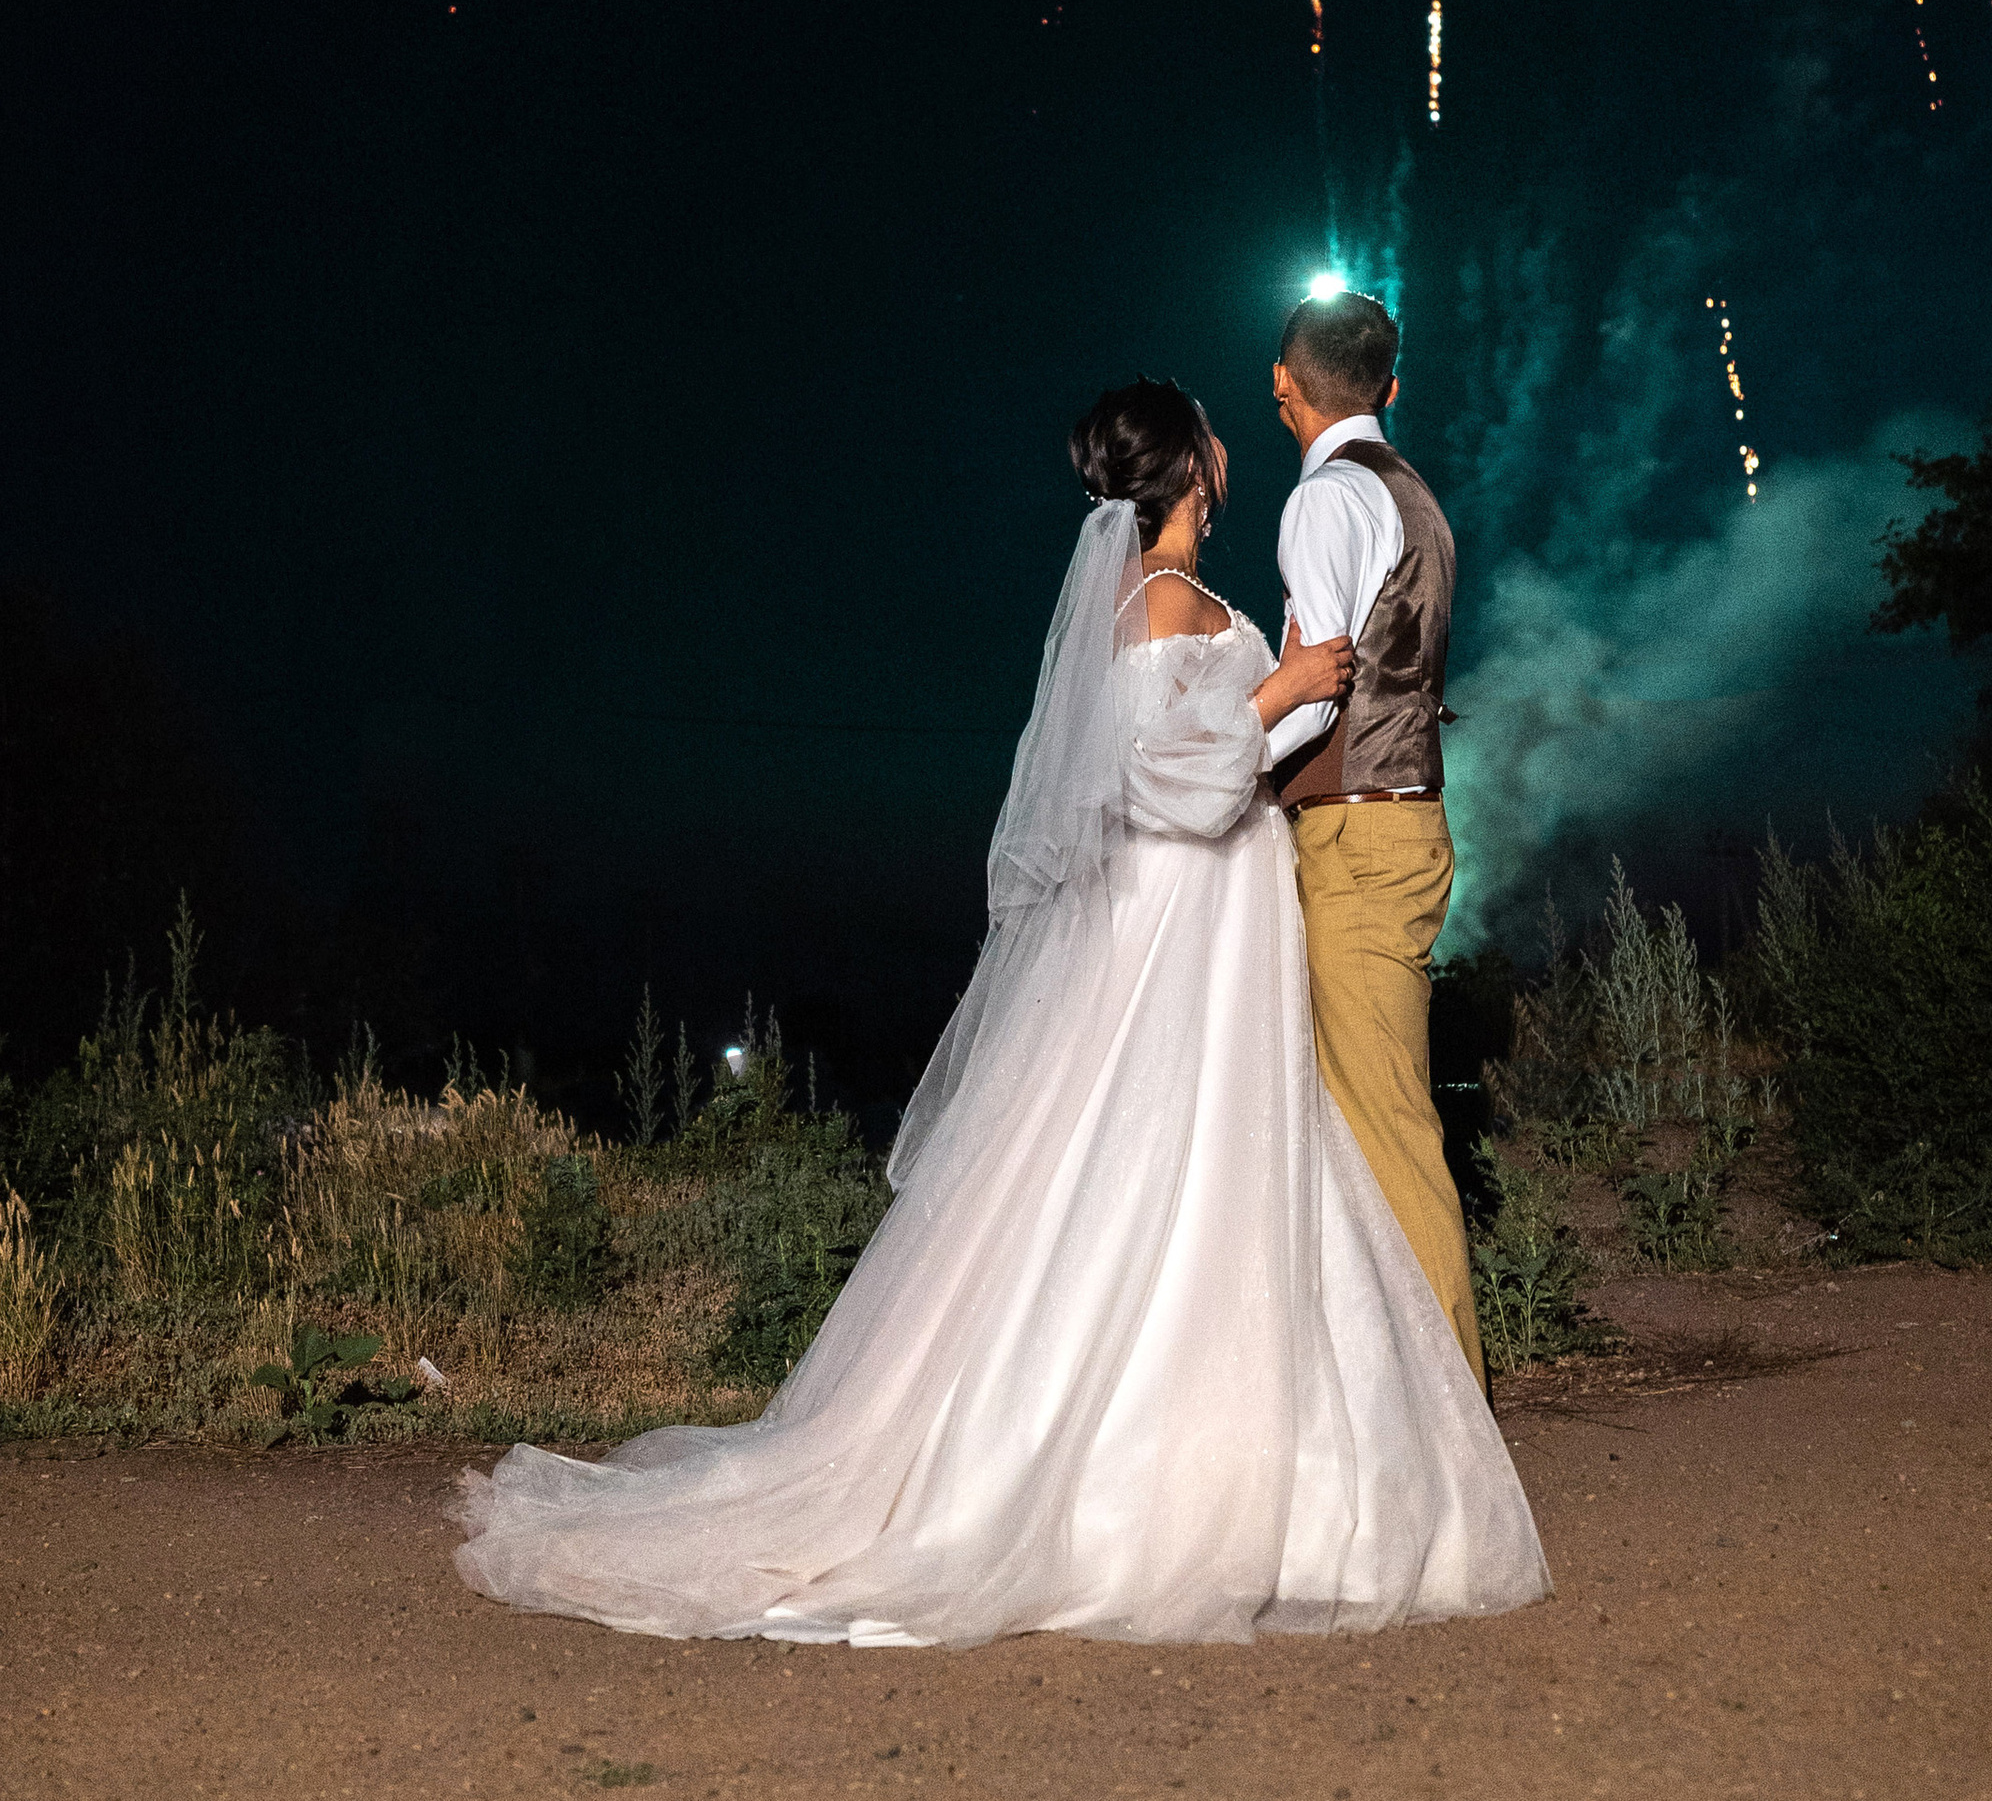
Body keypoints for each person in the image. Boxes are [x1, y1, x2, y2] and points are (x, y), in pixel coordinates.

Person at [452, 377, 1548, 1649]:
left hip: (1201, 918)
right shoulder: (1169, 606)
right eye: (1213, 430)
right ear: (1193, 465)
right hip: (1183, 917)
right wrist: (1283, 683)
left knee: (1185, 1161)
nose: (1231, 445)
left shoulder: (1156, 601)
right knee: (1170, 1159)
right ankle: (1144, 1475)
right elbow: (1167, 780)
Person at [1262, 289, 1486, 1387]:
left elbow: (1318, 687)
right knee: (1365, 1121)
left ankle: (1452, 1417)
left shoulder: (1326, 500)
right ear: (1390, 386)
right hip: (1402, 823)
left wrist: (1210, 753)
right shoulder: (1418, 500)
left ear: (1280, 383)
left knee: (1387, 1132)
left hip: (1354, 834)